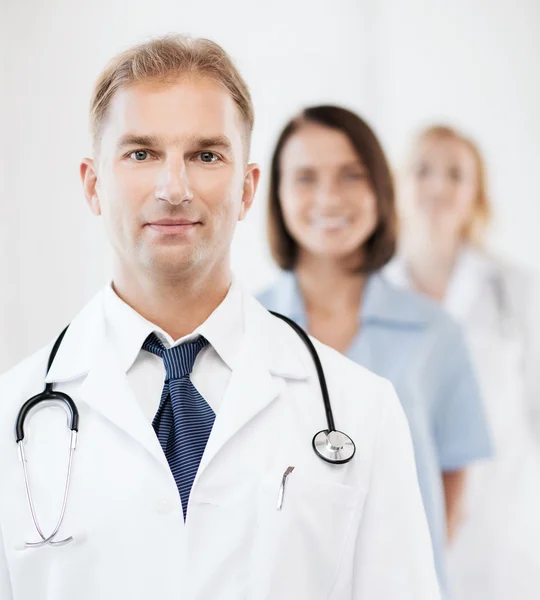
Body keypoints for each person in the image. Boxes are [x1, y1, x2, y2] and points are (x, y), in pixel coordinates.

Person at [0, 36, 441, 600]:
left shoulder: (362, 410)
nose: (174, 189)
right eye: (141, 153)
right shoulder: (15, 416)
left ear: (248, 186)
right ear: (93, 184)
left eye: (206, 155)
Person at [257, 105, 492, 597]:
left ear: (380, 190)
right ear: (276, 194)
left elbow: (452, 488)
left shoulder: (436, 333)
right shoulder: (245, 330)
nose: (329, 197)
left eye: (351, 175)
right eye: (305, 178)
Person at [387, 124, 540, 599]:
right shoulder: (375, 294)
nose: (437, 186)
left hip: (502, 535)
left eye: (456, 174)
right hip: (403, 528)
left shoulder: (513, 289)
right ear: (398, 185)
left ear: (477, 194)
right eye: (423, 170)